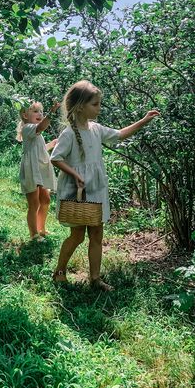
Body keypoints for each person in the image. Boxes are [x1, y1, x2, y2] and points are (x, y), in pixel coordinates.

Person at [50, 80, 160, 291]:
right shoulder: (69, 133)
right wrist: (74, 174)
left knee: (97, 234)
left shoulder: (96, 129)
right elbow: (56, 158)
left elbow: (119, 135)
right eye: (95, 104)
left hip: (96, 189)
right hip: (77, 191)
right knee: (77, 235)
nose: (99, 108)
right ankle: (59, 272)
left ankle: (95, 278)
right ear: (81, 106)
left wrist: (143, 121)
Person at [17, 99, 60, 241]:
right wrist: (51, 113)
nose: (40, 113)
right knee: (34, 203)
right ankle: (34, 234)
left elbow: (39, 149)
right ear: (25, 115)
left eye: (41, 111)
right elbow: (42, 126)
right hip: (31, 170)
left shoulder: (36, 133)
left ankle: (42, 229)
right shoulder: (28, 128)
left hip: (39, 169)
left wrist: (52, 144)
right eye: (35, 111)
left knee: (46, 200)